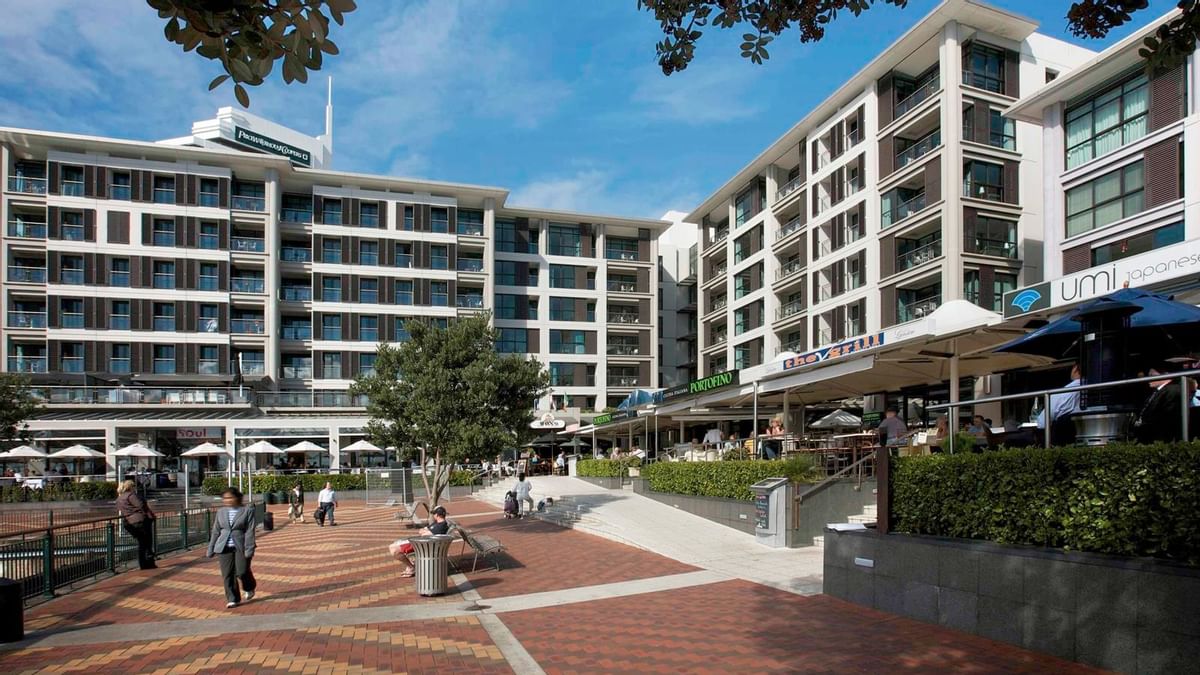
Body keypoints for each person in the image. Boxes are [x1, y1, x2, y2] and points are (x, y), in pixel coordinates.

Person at [206, 487, 257, 609]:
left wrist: (249, 548)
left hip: (241, 545)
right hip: (224, 546)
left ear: (237, 497)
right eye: (225, 498)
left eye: (230, 497)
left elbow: (250, 531)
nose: (227, 500)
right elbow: (216, 531)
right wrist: (211, 547)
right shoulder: (221, 512)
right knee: (227, 574)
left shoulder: (247, 511)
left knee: (242, 571)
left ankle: (249, 587)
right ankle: (232, 598)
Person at [1133, 365, 1198, 443]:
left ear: (1165, 374)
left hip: (1161, 439)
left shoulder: (1173, 390)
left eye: (1151, 376)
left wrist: (1145, 426)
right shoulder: (1157, 391)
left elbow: (1167, 417)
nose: (1149, 379)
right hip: (1148, 435)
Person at [394, 505, 451, 578]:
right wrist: (425, 531)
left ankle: (411, 567)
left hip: (423, 545)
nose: (433, 515)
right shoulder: (437, 523)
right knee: (394, 545)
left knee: (394, 549)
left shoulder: (441, 526)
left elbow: (425, 534)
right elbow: (421, 531)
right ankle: (411, 566)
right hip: (421, 543)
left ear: (437, 515)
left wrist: (425, 531)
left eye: (434, 514)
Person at [116, 479, 157, 570]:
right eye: (134, 486)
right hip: (140, 520)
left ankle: (144, 562)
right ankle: (147, 562)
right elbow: (140, 505)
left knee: (142, 542)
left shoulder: (119, 498)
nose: (135, 488)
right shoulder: (131, 495)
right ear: (130, 487)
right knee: (146, 542)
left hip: (129, 522)